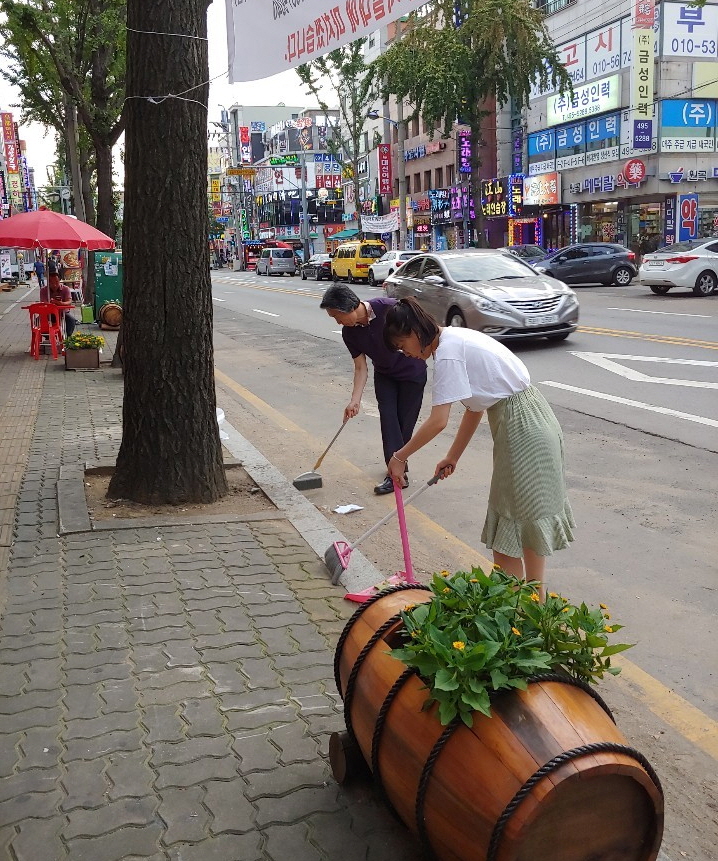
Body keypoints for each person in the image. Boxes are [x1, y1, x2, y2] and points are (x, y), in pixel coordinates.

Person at [383, 297, 574, 595]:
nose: (404, 353)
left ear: (414, 332)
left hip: (522, 430)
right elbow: (475, 407)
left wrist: (399, 456)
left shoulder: (447, 354)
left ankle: (516, 609)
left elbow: (438, 421)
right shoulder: (454, 338)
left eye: (401, 345)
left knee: (508, 535)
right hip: (535, 419)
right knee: (525, 524)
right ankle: (534, 606)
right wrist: (453, 456)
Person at [320, 284, 427, 495]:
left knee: (404, 424)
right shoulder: (349, 333)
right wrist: (355, 400)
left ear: (348, 307)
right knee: (389, 421)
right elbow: (360, 367)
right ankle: (395, 476)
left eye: (337, 316)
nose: (338, 322)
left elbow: (421, 331)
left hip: (412, 373)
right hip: (385, 376)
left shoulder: (388, 309)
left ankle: (398, 465)